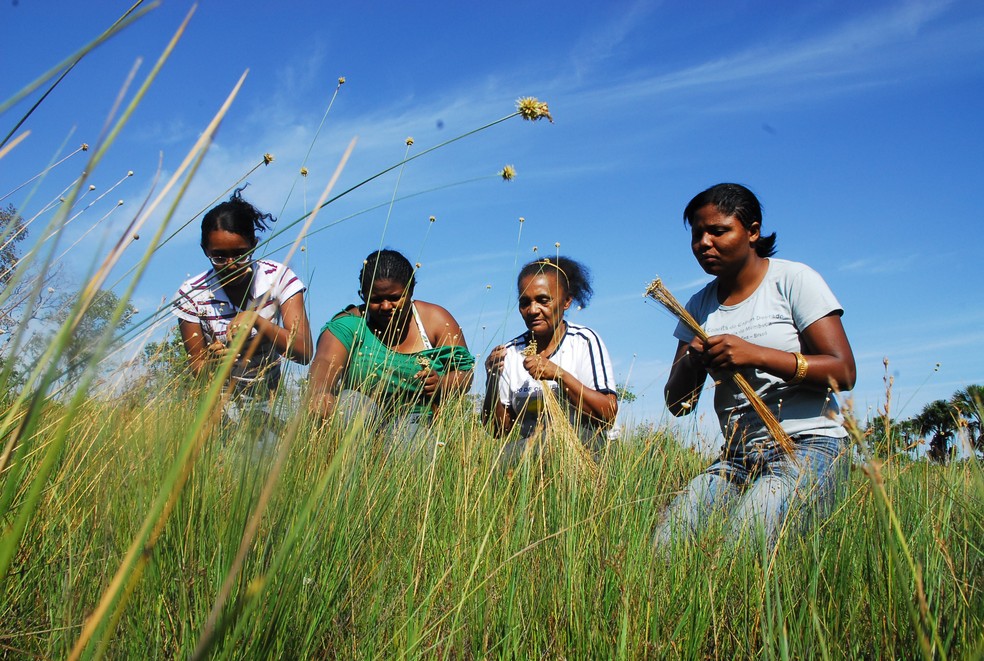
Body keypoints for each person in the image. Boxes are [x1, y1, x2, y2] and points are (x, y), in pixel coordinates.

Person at [655, 183, 856, 548]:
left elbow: (843, 371)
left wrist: (757, 354)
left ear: (752, 231)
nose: (704, 243)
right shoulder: (697, 307)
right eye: (697, 234)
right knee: (668, 544)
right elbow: (676, 404)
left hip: (807, 445)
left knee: (744, 545)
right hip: (736, 458)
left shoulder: (792, 280)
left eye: (718, 231)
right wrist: (694, 361)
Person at [172, 188, 313, 423]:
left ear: (254, 245)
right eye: (219, 257)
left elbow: (304, 352)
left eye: (240, 254)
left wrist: (255, 320)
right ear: (204, 250)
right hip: (217, 405)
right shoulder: (191, 294)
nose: (230, 264)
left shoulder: (277, 278)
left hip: (269, 398)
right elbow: (197, 366)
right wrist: (212, 365)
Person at [308, 249, 475, 444]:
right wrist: (321, 392)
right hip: (361, 418)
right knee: (350, 403)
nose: (386, 306)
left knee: (410, 440)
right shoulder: (350, 324)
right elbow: (326, 360)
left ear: (410, 291)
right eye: (376, 299)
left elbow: (465, 374)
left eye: (395, 298)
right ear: (362, 295)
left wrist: (441, 384)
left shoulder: (435, 320)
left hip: (415, 421)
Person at [482, 256, 618, 455]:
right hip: (531, 455)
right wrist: (492, 380)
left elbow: (608, 414)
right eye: (525, 302)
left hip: (586, 449)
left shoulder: (583, 341)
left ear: (566, 302)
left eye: (543, 300)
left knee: (551, 442)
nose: (533, 310)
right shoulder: (510, 353)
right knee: (495, 460)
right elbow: (498, 431)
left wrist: (559, 375)